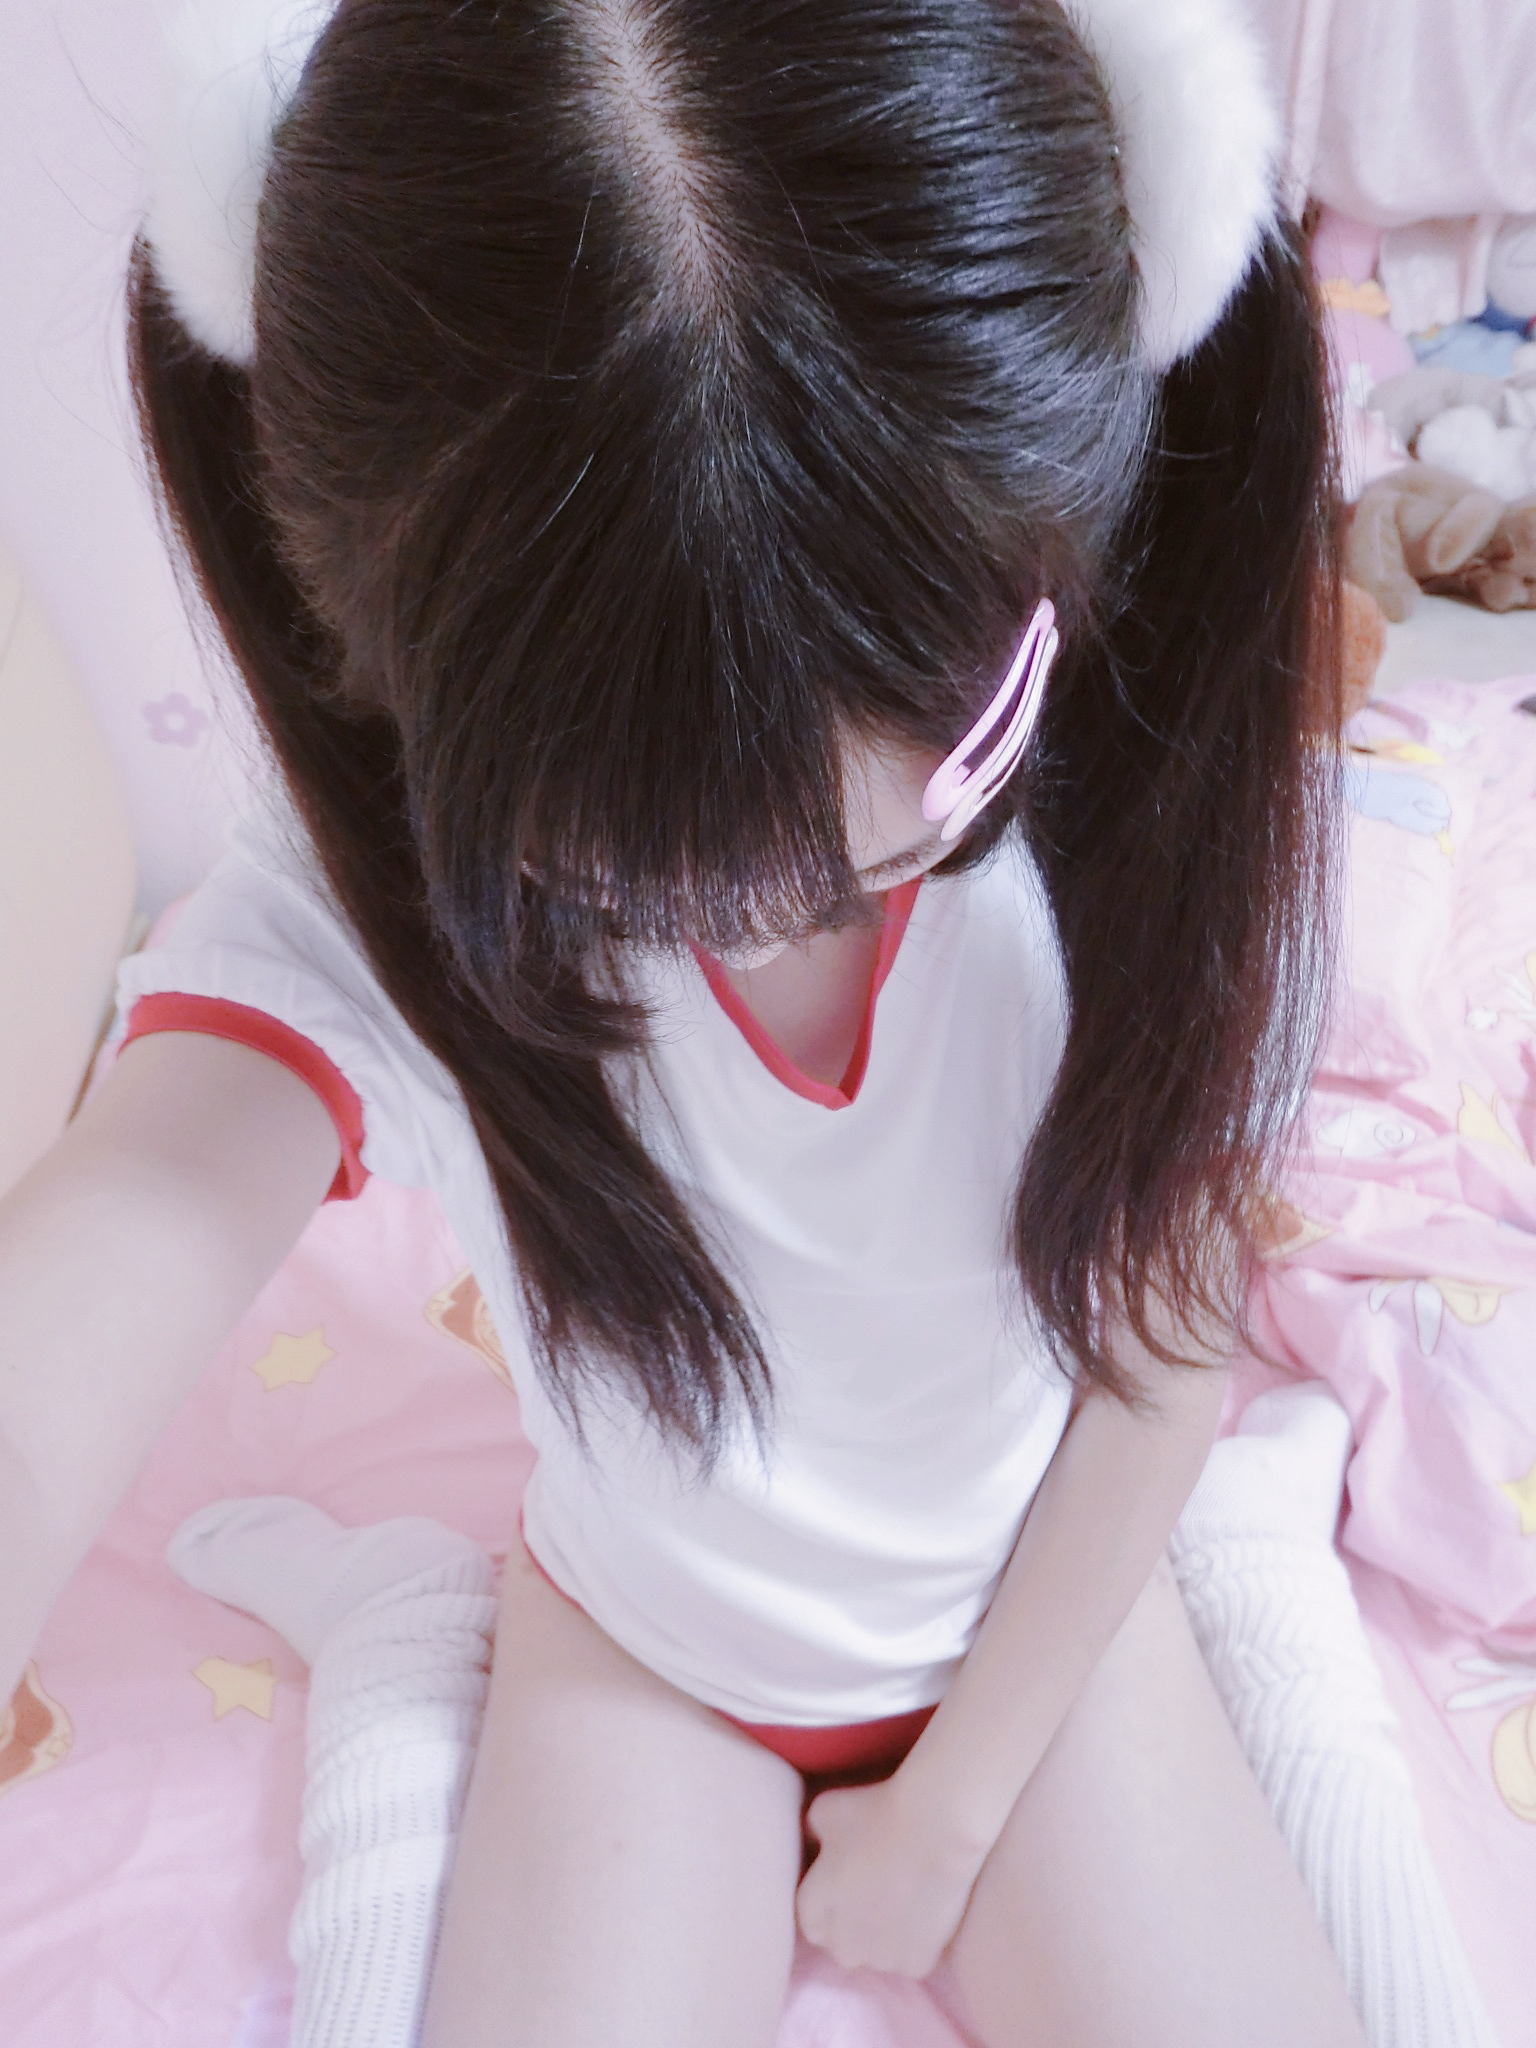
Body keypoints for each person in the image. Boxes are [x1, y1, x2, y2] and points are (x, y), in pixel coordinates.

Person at [0, 0, 1378, 2042]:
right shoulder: (383, 889)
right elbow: (118, 1246)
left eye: (922, 789)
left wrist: (957, 1806)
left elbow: (1164, 1318)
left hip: (1038, 1623)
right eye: (626, 863)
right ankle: (408, 1627)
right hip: (643, 1647)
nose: (759, 913)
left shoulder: (1148, 823)